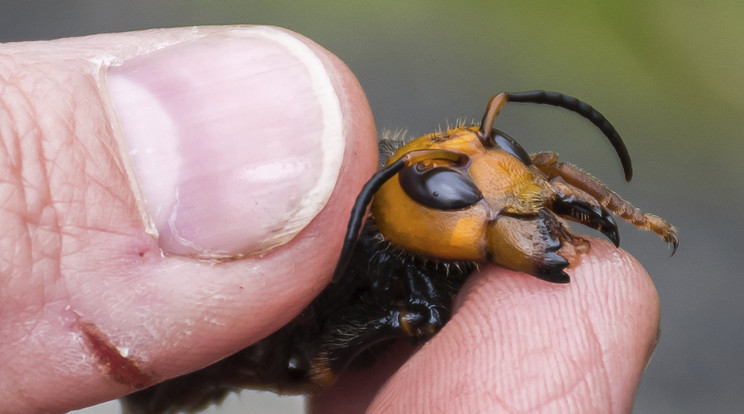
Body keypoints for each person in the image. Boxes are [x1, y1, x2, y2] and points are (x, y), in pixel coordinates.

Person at [0, 26, 660, 413]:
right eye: (468, 195)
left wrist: (616, 208)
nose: (513, 193)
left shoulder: (438, 217)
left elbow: (534, 164)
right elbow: (318, 364)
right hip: (222, 359)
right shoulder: (365, 248)